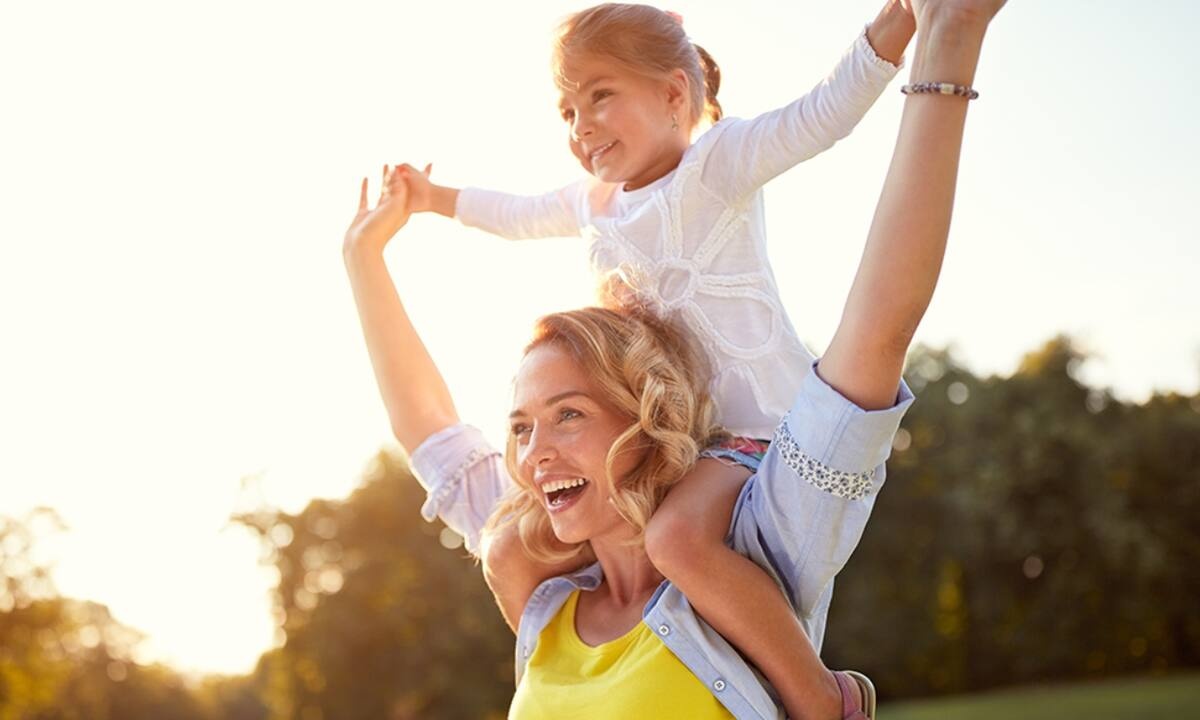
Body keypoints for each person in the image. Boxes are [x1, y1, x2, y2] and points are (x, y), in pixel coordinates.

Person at [343, 0, 1006, 716]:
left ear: (673, 93)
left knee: (676, 539)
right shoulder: (546, 561)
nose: (581, 125)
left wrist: (917, 25)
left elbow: (826, 116)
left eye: (568, 413)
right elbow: (507, 231)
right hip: (696, 452)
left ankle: (823, 702)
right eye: (521, 427)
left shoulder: (763, 526)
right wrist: (396, 227)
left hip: (755, 438)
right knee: (521, 545)